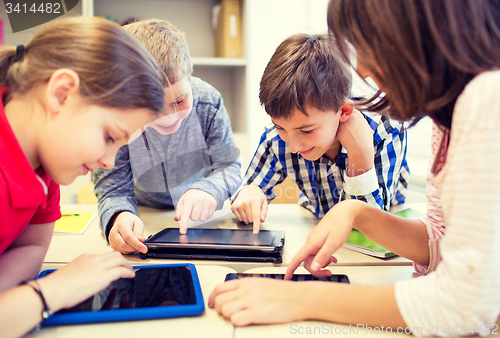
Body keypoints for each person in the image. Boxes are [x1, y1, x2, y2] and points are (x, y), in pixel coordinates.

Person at [209, 0, 500, 333]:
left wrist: (300, 298)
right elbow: (440, 239)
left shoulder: (485, 99)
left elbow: (467, 303)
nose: (360, 68)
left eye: (366, 42)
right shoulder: (448, 118)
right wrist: (357, 214)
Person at [0, 17, 166, 337]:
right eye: (108, 137)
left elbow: (32, 247)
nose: (109, 161)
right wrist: (52, 291)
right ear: (62, 93)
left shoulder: (44, 163)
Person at [231, 33, 409, 233]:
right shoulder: (276, 140)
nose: (293, 146)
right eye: (280, 127)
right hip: (317, 222)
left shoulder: (386, 129)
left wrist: (360, 154)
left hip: (386, 235)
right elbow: (245, 192)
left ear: (343, 111)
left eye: (307, 130)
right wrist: (249, 193)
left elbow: (368, 226)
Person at [93, 19, 242, 255]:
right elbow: (113, 188)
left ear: (189, 74)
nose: (169, 117)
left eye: (180, 100)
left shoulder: (209, 102)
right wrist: (119, 216)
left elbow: (230, 167)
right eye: (154, 107)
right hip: (145, 216)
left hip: (202, 222)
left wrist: (209, 189)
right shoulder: (120, 115)